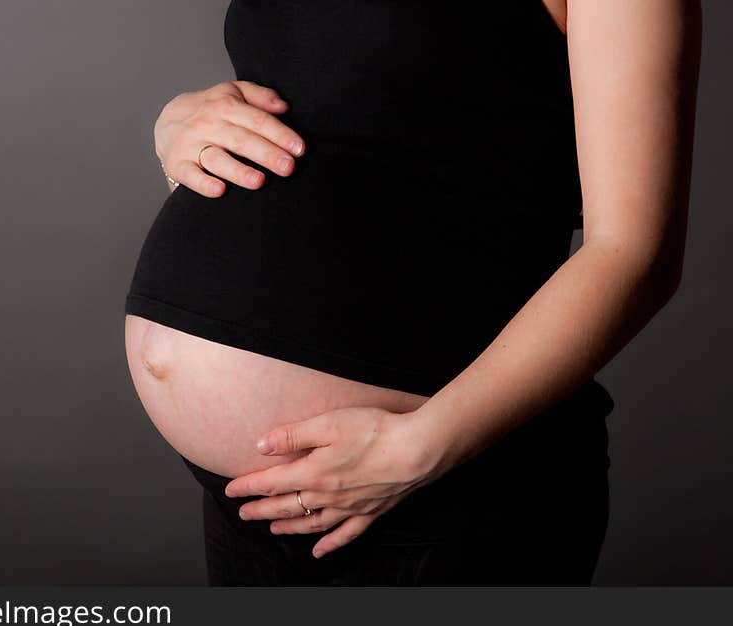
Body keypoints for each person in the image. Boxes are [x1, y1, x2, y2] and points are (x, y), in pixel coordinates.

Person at [123, 0, 701, 585]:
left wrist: (416, 452)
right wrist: (176, 122)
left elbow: (634, 255)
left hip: (440, 491)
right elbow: (337, 92)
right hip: (254, 503)